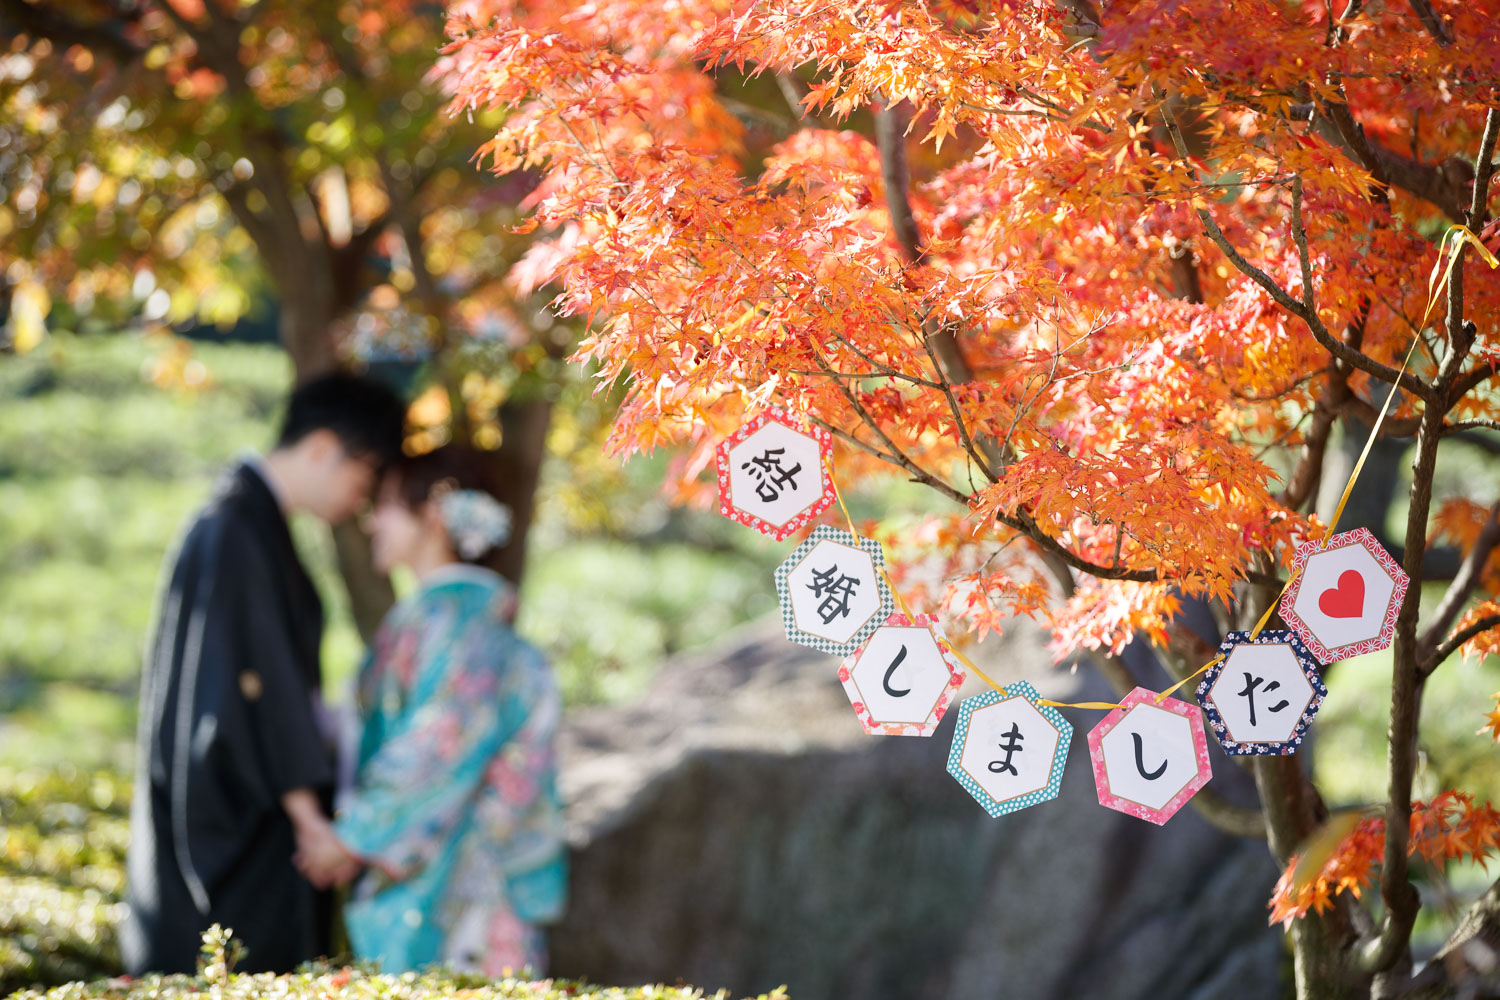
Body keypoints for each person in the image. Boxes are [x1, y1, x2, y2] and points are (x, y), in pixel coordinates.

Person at [122, 372, 407, 976]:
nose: (359, 502)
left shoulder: (244, 524)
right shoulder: (236, 530)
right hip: (245, 820)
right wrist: (308, 818)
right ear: (323, 447)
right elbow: (261, 688)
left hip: (244, 801)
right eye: (362, 479)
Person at [295, 446, 567, 977]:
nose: (374, 521)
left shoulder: (457, 623)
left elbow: (437, 744)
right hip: (447, 872)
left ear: (435, 509)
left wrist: (353, 837)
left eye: (390, 504)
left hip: (464, 885)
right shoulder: (454, 619)